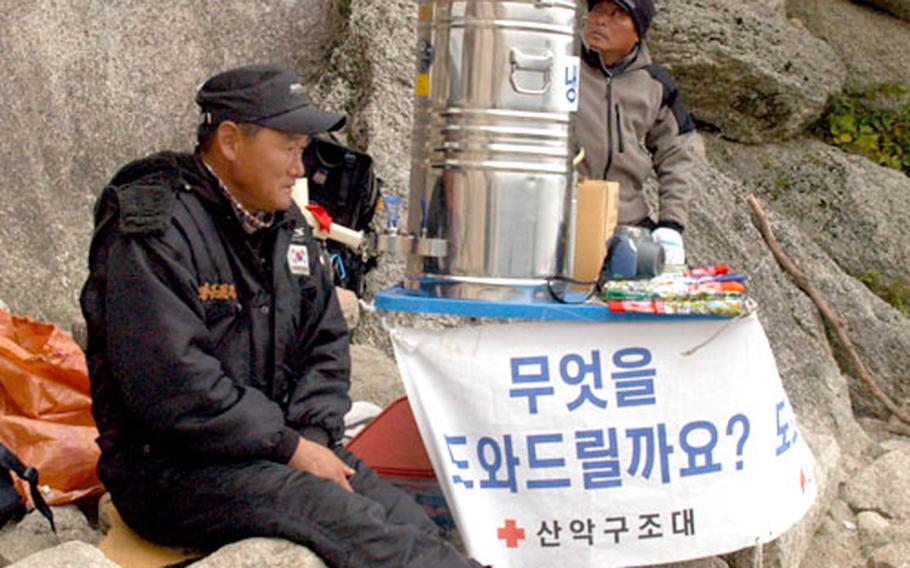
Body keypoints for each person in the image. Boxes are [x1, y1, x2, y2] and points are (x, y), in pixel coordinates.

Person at [80, 63, 482, 568]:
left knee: (402, 517)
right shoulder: (152, 230)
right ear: (229, 140)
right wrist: (290, 448)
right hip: (169, 472)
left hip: (271, 453)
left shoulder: (285, 225)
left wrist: (311, 438)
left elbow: (325, 344)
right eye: (289, 146)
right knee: (341, 518)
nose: (301, 167)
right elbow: (175, 385)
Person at [575, 0, 697, 266]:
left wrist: (671, 224)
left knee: (669, 286)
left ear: (638, 30)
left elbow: (677, 154)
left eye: (617, 14)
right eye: (597, 10)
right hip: (563, 214)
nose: (601, 20)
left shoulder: (655, 84)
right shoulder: (563, 65)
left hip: (626, 219)